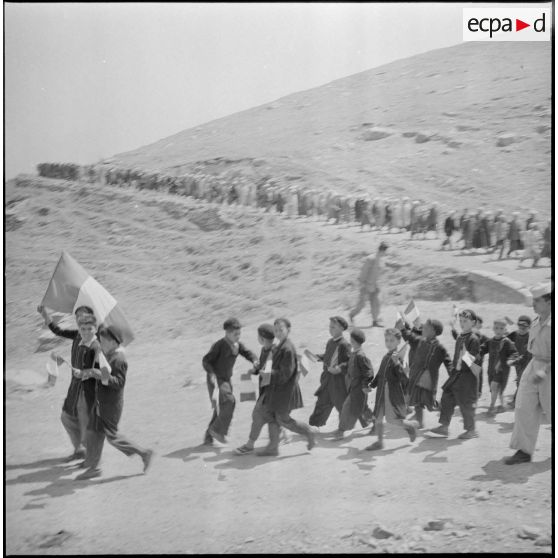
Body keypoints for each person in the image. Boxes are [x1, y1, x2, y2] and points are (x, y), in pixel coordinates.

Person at [75, 325, 153, 480]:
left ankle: (144, 453)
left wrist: (98, 375)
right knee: (93, 433)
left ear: (112, 342)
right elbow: (101, 371)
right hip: (101, 403)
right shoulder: (108, 354)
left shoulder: (119, 359)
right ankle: (93, 467)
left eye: (103, 341)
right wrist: (87, 372)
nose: (101, 344)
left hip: (110, 406)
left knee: (112, 437)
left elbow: (118, 383)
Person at [37, 304, 99, 461]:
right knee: (66, 417)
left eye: (83, 316)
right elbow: (57, 330)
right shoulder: (78, 335)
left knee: (85, 422)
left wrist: (84, 373)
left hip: (87, 390)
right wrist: (45, 314)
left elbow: (101, 372)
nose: (79, 318)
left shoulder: (95, 344)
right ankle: (80, 450)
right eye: (77, 316)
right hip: (75, 387)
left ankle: (91, 461)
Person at [505, 283, 552, 465]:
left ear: (549, 301)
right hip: (534, 365)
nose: (533, 304)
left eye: (537, 300)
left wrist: (544, 371)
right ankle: (524, 451)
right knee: (523, 406)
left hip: (549, 369)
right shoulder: (536, 321)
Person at [234, 324, 298, 455]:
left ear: (261, 338)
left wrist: (263, 372)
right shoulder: (266, 350)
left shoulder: (273, 352)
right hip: (268, 391)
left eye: (258, 336)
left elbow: (273, 372)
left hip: (272, 392)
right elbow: (264, 368)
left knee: (258, 415)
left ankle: (250, 445)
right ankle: (282, 436)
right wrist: (256, 370)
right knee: (273, 418)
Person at [255, 318, 316, 456]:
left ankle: (308, 432)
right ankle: (273, 447)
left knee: (282, 419)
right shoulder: (280, 346)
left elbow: (285, 373)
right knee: (273, 415)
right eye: (276, 330)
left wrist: (269, 374)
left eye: (281, 330)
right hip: (279, 390)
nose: (278, 333)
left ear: (288, 330)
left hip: (286, 390)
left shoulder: (287, 348)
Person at [202, 318, 258, 445]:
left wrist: (254, 360)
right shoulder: (219, 345)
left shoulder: (237, 345)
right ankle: (217, 431)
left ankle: (208, 436)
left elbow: (247, 353)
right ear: (227, 333)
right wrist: (211, 373)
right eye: (235, 334)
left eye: (239, 334)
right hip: (216, 380)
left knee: (221, 407)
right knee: (228, 401)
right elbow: (206, 360)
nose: (238, 337)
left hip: (226, 380)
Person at [428, 309, 481, 439]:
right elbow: (457, 337)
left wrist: (466, 355)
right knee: (447, 397)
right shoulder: (461, 337)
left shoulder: (473, 339)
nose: (462, 323)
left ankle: (471, 430)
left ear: (473, 323)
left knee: (465, 403)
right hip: (457, 375)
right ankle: (444, 427)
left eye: (465, 321)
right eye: (461, 321)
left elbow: (475, 362)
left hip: (467, 377)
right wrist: (452, 327)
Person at [365, 328, 418, 451]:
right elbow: (380, 374)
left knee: (393, 420)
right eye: (387, 340)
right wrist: (371, 385)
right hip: (381, 393)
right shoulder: (386, 356)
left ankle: (410, 427)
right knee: (377, 417)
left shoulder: (398, 359)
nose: (388, 343)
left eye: (392, 340)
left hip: (391, 393)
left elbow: (404, 379)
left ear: (398, 341)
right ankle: (379, 442)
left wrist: (397, 364)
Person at [397, 318, 453, 429]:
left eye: (426, 327)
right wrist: (403, 329)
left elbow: (448, 362)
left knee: (430, 405)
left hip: (428, 381)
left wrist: (454, 375)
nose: (423, 328)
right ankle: (420, 422)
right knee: (417, 401)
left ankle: (443, 407)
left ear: (433, 331)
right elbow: (410, 337)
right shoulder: (419, 341)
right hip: (416, 378)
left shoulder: (440, 348)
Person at [308, 317, 352, 428]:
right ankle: (315, 425)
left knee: (341, 405)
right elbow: (328, 357)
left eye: (333, 327)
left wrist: (339, 369)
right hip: (327, 380)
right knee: (322, 402)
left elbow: (349, 362)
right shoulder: (330, 342)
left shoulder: (344, 344)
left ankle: (345, 428)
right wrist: (317, 357)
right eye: (329, 327)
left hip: (338, 382)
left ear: (342, 328)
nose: (330, 329)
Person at [335, 328, 374, 439]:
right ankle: (375, 423)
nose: (350, 340)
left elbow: (369, 372)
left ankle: (341, 431)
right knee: (363, 408)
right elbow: (350, 366)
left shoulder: (361, 355)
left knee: (346, 407)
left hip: (359, 388)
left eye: (351, 339)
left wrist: (365, 385)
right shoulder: (354, 353)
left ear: (355, 341)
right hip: (354, 387)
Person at [479, 319, 519, 415]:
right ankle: (502, 405)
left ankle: (492, 407)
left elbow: (514, 353)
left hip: (502, 369)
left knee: (494, 386)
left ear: (505, 330)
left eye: (501, 328)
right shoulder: (490, 341)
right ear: (493, 329)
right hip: (491, 369)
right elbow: (481, 350)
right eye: (496, 328)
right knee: (498, 389)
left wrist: (511, 360)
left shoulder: (507, 342)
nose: (498, 330)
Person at [348, 242, 388, 327]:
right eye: (385, 251)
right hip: (366, 286)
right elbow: (363, 272)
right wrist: (362, 283)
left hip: (374, 286)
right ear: (382, 250)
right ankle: (351, 315)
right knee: (361, 305)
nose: (386, 253)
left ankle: (375, 321)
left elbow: (378, 274)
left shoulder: (381, 260)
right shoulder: (371, 258)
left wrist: (377, 285)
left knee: (376, 304)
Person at [506, 315, 532, 408]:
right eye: (519, 326)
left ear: (529, 327)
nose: (521, 329)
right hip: (518, 363)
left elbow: (526, 355)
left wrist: (513, 362)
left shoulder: (531, 337)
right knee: (520, 382)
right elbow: (504, 340)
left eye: (524, 327)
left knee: (521, 382)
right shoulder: (515, 334)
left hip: (527, 362)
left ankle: (516, 401)